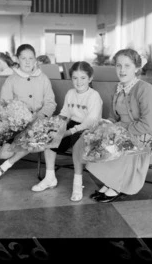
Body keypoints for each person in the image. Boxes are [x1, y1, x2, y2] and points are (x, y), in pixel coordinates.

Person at [72, 48, 152, 203]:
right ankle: (106, 182)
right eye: (118, 66)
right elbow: (113, 117)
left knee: (119, 142)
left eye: (127, 66)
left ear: (136, 68)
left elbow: (147, 124)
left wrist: (118, 130)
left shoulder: (145, 89)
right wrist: (106, 125)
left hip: (143, 132)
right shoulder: (117, 88)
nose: (122, 70)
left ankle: (116, 185)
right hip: (121, 129)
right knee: (87, 138)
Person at [0, 44, 57, 181]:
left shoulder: (43, 78)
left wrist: (41, 115)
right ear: (17, 59)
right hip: (17, 123)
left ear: (35, 60)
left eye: (31, 58)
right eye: (23, 58)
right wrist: (20, 119)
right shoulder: (11, 80)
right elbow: (4, 105)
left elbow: (51, 102)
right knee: (7, 151)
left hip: (39, 121)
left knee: (33, 139)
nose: (27, 61)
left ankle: (5, 166)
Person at [31, 61, 103, 202]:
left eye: (83, 78)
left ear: (90, 78)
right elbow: (65, 113)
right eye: (75, 78)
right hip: (73, 125)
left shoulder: (94, 96)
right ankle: (50, 177)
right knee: (50, 139)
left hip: (90, 129)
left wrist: (68, 132)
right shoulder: (70, 93)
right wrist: (54, 126)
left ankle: (77, 184)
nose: (78, 81)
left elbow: (90, 121)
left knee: (77, 146)